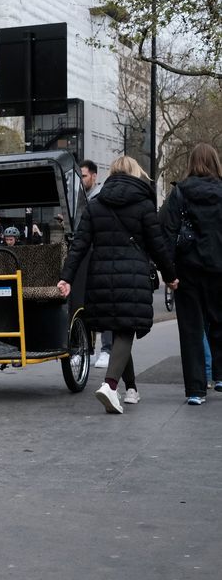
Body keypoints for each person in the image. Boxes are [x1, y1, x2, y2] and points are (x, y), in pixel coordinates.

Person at [58, 156, 178, 414]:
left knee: (120, 326)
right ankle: (111, 386)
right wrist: (170, 275)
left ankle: (131, 389)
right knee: (125, 330)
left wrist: (66, 277)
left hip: (101, 274)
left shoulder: (96, 204)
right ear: (135, 173)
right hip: (132, 275)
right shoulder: (144, 205)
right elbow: (158, 246)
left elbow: (79, 244)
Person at [158, 142, 222, 405]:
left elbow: (166, 232)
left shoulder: (179, 193)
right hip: (219, 268)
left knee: (192, 329)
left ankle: (196, 389)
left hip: (188, 269)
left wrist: (168, 272)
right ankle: (220, 375)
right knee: (220, 322)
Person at [81, 159, 112, 368]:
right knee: (89, 302)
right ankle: (91, 348)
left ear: (94, 176)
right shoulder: (81, 198)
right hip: (88, 255)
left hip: (101, 255)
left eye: (83, 176)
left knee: (106, 303)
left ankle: (107, 349)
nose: (81, 180)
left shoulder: (101, 198)